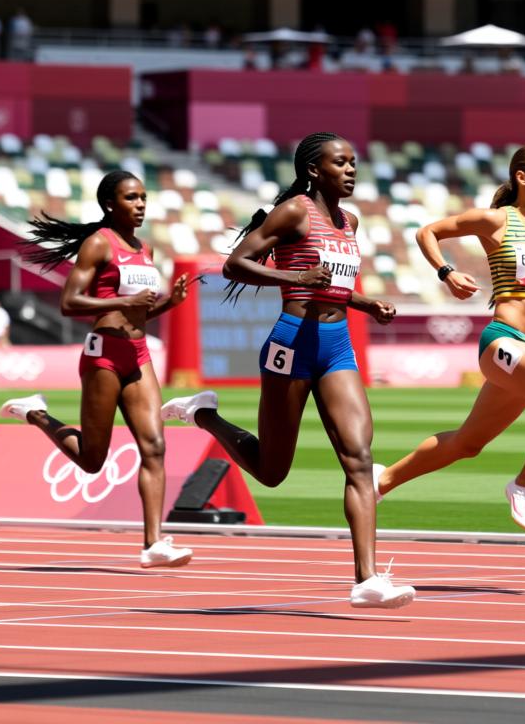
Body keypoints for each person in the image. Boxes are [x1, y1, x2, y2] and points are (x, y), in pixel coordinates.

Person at [161, 132, 415, 609]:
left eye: (354, 162)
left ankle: (367, 579)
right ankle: (203, 414)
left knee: (359, 457)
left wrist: (367, 303)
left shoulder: (350, 221)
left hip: (336, 346)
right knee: (271, 470)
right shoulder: (294, 212)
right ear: (314, 170)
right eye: (340, 163)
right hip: (292, 343)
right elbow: (235, 265)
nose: (351, 170)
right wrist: (294, 276)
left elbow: (334, 286)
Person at [374, 144, 525, 533]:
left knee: (468, 444)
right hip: (505, 342)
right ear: (521, 177)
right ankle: (524, 483)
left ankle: (381, 481)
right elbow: (428, 232)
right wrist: (446, 272)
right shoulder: (495, 220)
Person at [0, 171, 194, 569]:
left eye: (143, 197)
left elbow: (139, 313)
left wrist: (169, 303)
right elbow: (69, 302)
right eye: (131, 198)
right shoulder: (98, 244)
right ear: (109, 204)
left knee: (154, 446)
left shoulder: (144, 248)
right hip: (104, 354)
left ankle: (154, 543)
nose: (141, 204)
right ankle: (35, 412)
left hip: (138, 354)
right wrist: (122, 303)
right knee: (92, 459)